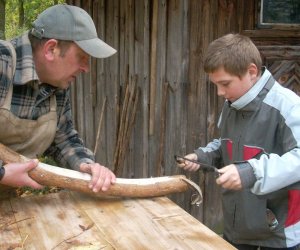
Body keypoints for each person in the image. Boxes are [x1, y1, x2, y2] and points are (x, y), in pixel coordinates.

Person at [177, 33, 300, 249]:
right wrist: (202, 157)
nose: (219, 92)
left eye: (225, 83)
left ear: (251, 72)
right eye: (215, 84)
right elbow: (227, 144)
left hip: (278, 237)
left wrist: (250, 172)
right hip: (237, 232)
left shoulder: (288, 106)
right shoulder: (233, 102)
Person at [0, 4, 117, 193]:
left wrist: (85, 165)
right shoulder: (3, 62)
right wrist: (2, 173)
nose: (86, 68)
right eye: (82, 57)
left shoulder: (57, 86)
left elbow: (63, 140)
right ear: (51, 49)